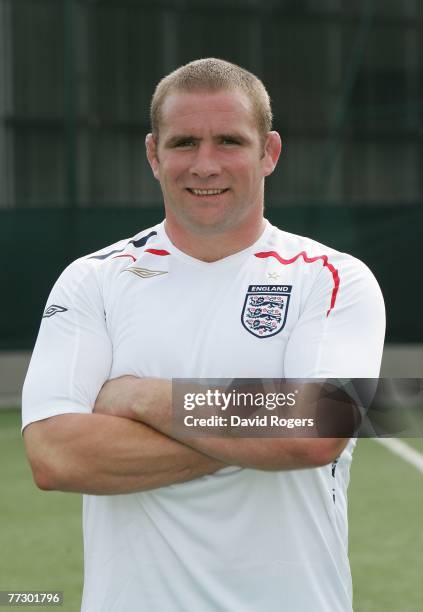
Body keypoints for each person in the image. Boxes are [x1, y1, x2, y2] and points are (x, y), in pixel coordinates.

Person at [22, 58, 385, 611]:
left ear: (269, 153)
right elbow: (54, 456)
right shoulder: (93, 280)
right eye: (185, 142)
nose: (205, 164)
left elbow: (317, 429)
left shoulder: (331, 277)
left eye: (230, 142)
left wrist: (140, 397)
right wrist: (262, 429)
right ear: (153, 154)